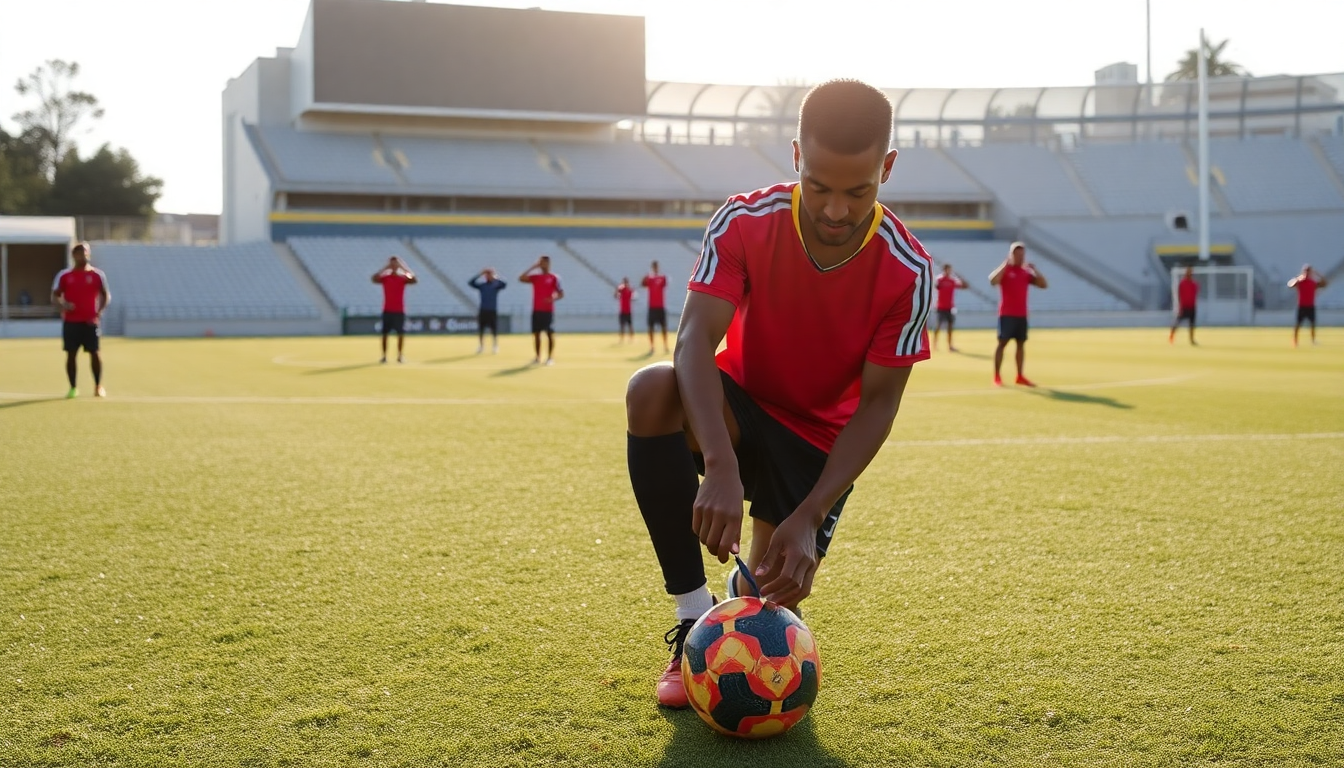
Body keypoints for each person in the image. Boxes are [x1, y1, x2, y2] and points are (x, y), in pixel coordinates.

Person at [624, 79, 932, 709]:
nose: (837, 210)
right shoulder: (744, 221)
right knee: (652, 390)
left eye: (859, 190)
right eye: (819, 186)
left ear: (888, 169)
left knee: (762, 602)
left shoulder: (910, 270)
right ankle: (690, 617)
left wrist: (812, 512)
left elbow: (878, 404)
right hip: (739, 408)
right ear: (796, 156)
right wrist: (718, 462)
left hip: (817, 445)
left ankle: (740, 610)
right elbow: (693, 342)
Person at [51, 242, 111, 398]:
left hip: (90, 322)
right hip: (71, 322)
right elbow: (55, 295)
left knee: (95, 353)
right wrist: (64, 305)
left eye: (84, 252)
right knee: (71, 354)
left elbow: (105, 295)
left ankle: (98, 386)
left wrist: (100, 310)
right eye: (78, 253)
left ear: (88, 254)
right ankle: (73, 387)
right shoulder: (65, 276)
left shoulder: (97, 275)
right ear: (73, 256)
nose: (82, 255)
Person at [988, 242, 1047, 387]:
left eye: (1022, 254)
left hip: (1021, 314)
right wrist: (1004, 265)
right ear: (1011, 255)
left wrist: (1035, 270)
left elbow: (1043, 285)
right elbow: (992, 280)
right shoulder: (1006, 270)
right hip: (1007, 314)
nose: (1020, 257)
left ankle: (1020, 375)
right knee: (1002, 343)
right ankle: (997, 376)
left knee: (1020, 344)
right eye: (1016, 254)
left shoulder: (1026, 272)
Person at [520, 255, 563, 365]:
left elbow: (561, 293)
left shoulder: (554, 277)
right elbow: (521, 278)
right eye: (541, 262)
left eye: (544, 262)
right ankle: (537, 357)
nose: (543, 264)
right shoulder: (536, 277)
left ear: (549, 263)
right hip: (536, 309)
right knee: (536, 334)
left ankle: (550, 358)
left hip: (548, 310)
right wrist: (533, 267)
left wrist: (552, 298)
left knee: (549, 333)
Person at [372, 256, 417, 363]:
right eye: (392, 264)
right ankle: (384, 356)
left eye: (395, 264)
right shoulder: (385, 278)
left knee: (400, 334)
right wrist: (385, 268)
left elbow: (414, 280)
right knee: (384, 334)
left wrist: (404, 267)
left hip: (399, 310)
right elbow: (374, 279)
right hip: (387, 309)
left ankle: (400, 355)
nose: (393, 266)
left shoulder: (402, 278)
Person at [468, 268, 507, 354]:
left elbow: (504, 284)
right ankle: (481, 346)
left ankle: (495, 346)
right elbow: (471, 283)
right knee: (481, 329)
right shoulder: (483, 286)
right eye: (487, 275)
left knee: (494, 329)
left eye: (490, 275)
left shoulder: (495, 286)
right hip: (483, 310)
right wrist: (480, 274)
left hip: (492, 310)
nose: (488, 276)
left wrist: (495, 277)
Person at [1288, 264, 1328, 347]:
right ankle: (1295, 341)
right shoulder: (1300, 282)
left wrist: (1318, 274)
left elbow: (1324, 283)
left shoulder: (1312, 283)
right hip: (1302, 306)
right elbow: (1290, 285)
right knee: (1298, 324)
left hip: (1310, 306)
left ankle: (1313, 340)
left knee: (1312, 324)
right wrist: (1298, 278)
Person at [931, 264, 967, 352]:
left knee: (950, 327)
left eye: (950, 270)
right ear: (944, 270)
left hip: (949, 307)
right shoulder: (939, 280)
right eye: (947, 269)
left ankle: (950, 345)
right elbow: (934, 286)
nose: (949, 271)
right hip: (940, 307)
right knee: (938, 326)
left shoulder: (952, 281)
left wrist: (961, 278)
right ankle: (934, 344)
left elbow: (965, 286)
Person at [642, 261, 671, 355]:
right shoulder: (649, 278)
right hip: (652, 307)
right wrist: (645, 277)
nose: (655, 268)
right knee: (650, 328)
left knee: (664, 327)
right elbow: (643, 284)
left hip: (660, 307)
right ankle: (652, 346)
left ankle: (665, 345)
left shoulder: (662, 277)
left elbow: (665, 283)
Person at [1170, 266, 1199, 345]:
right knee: (1178, 322)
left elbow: (1195, 295)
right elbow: (1179, 295)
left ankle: (1192, 339)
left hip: (1192, 307)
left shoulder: (1194, 284)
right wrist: (1180, 306)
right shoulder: (1182, 284)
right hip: (1184, 307)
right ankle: (1172, 335)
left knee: (1192, 324)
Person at [615, 277, 636, 343]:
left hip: (628, 311)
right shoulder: (621, 291)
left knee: (630, 326)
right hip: (622, 311)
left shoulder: (629, 290)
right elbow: (616, 296)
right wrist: (617, 290)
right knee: (622, 326)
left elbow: (633, 297)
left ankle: (631, 338)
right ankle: (622, 339)